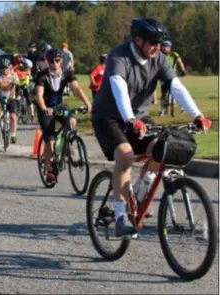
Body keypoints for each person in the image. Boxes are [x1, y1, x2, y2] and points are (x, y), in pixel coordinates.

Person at [91, 18, 211, 238]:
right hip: (108, 116)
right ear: (138, 40)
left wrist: (197, 115)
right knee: (126, 155)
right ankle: (119, 217)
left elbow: (176, 86)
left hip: (139, 116)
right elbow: (119, 87)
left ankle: (138, 189)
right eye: (153, 42)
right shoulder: (119, 56)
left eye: (159, 42)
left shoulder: (160, 59)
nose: (158, 47)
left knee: (163, 147)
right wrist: (129, 118)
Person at [35, 48, 91, 183]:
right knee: (50, 142)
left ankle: (69, 146)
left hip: (59, 106)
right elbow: (39, 95)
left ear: (61, 61)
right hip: (46, 109)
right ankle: (50, 169)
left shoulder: (67, 73)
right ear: (47, 62)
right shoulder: (42, 75)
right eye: (51, 61)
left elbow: (76, 88)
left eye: (57, 60)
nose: (54, 63)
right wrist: (44, 108)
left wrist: (88, 103)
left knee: (71, 121)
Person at [0, 57, 20, 143]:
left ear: (9, 67)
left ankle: (13, 135)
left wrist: (18, 95)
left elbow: (17, 86)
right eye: (2, 68)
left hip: (11, 97)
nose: (4, 70)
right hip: (0, 96)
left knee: (13, 117)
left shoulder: (14, 75)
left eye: (6, 68)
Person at [159, 40, 187, 116]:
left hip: (173, 76)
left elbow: (180, 62)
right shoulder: (159, 55)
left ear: (169, 48)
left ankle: (182, 107)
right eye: (163, 46)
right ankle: (162, 110)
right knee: (163, 94)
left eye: (166, 47)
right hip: (163, 77)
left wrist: (183, 70)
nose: (164, 48)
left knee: (178, 92)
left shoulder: (174, 54)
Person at [13, 57, 35, 122]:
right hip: (18, 84)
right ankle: (18, 111)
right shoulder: (16, 68)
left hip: (25, 83)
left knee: (28, 98)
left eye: (29, 68)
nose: (28, 69)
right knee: (17, 97)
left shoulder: (28, 70)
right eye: (27, 67)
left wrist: (29, 77)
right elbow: (12, 73)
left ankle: (32, 114)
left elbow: (28, 76)